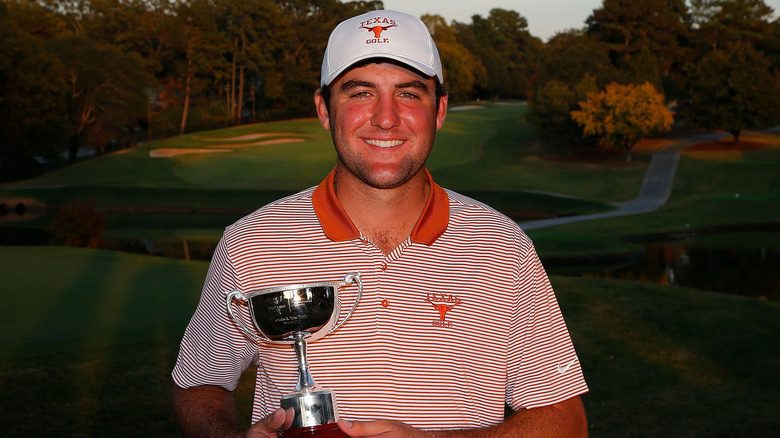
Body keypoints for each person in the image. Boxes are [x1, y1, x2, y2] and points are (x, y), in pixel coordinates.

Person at [171, 9, 588, 438]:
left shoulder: (503, 245)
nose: (385, 118)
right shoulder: (251, 242)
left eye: (408, 94)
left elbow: (566, 422)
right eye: (360, 93)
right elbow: (199, 383)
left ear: (440, 109)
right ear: (324, 109)